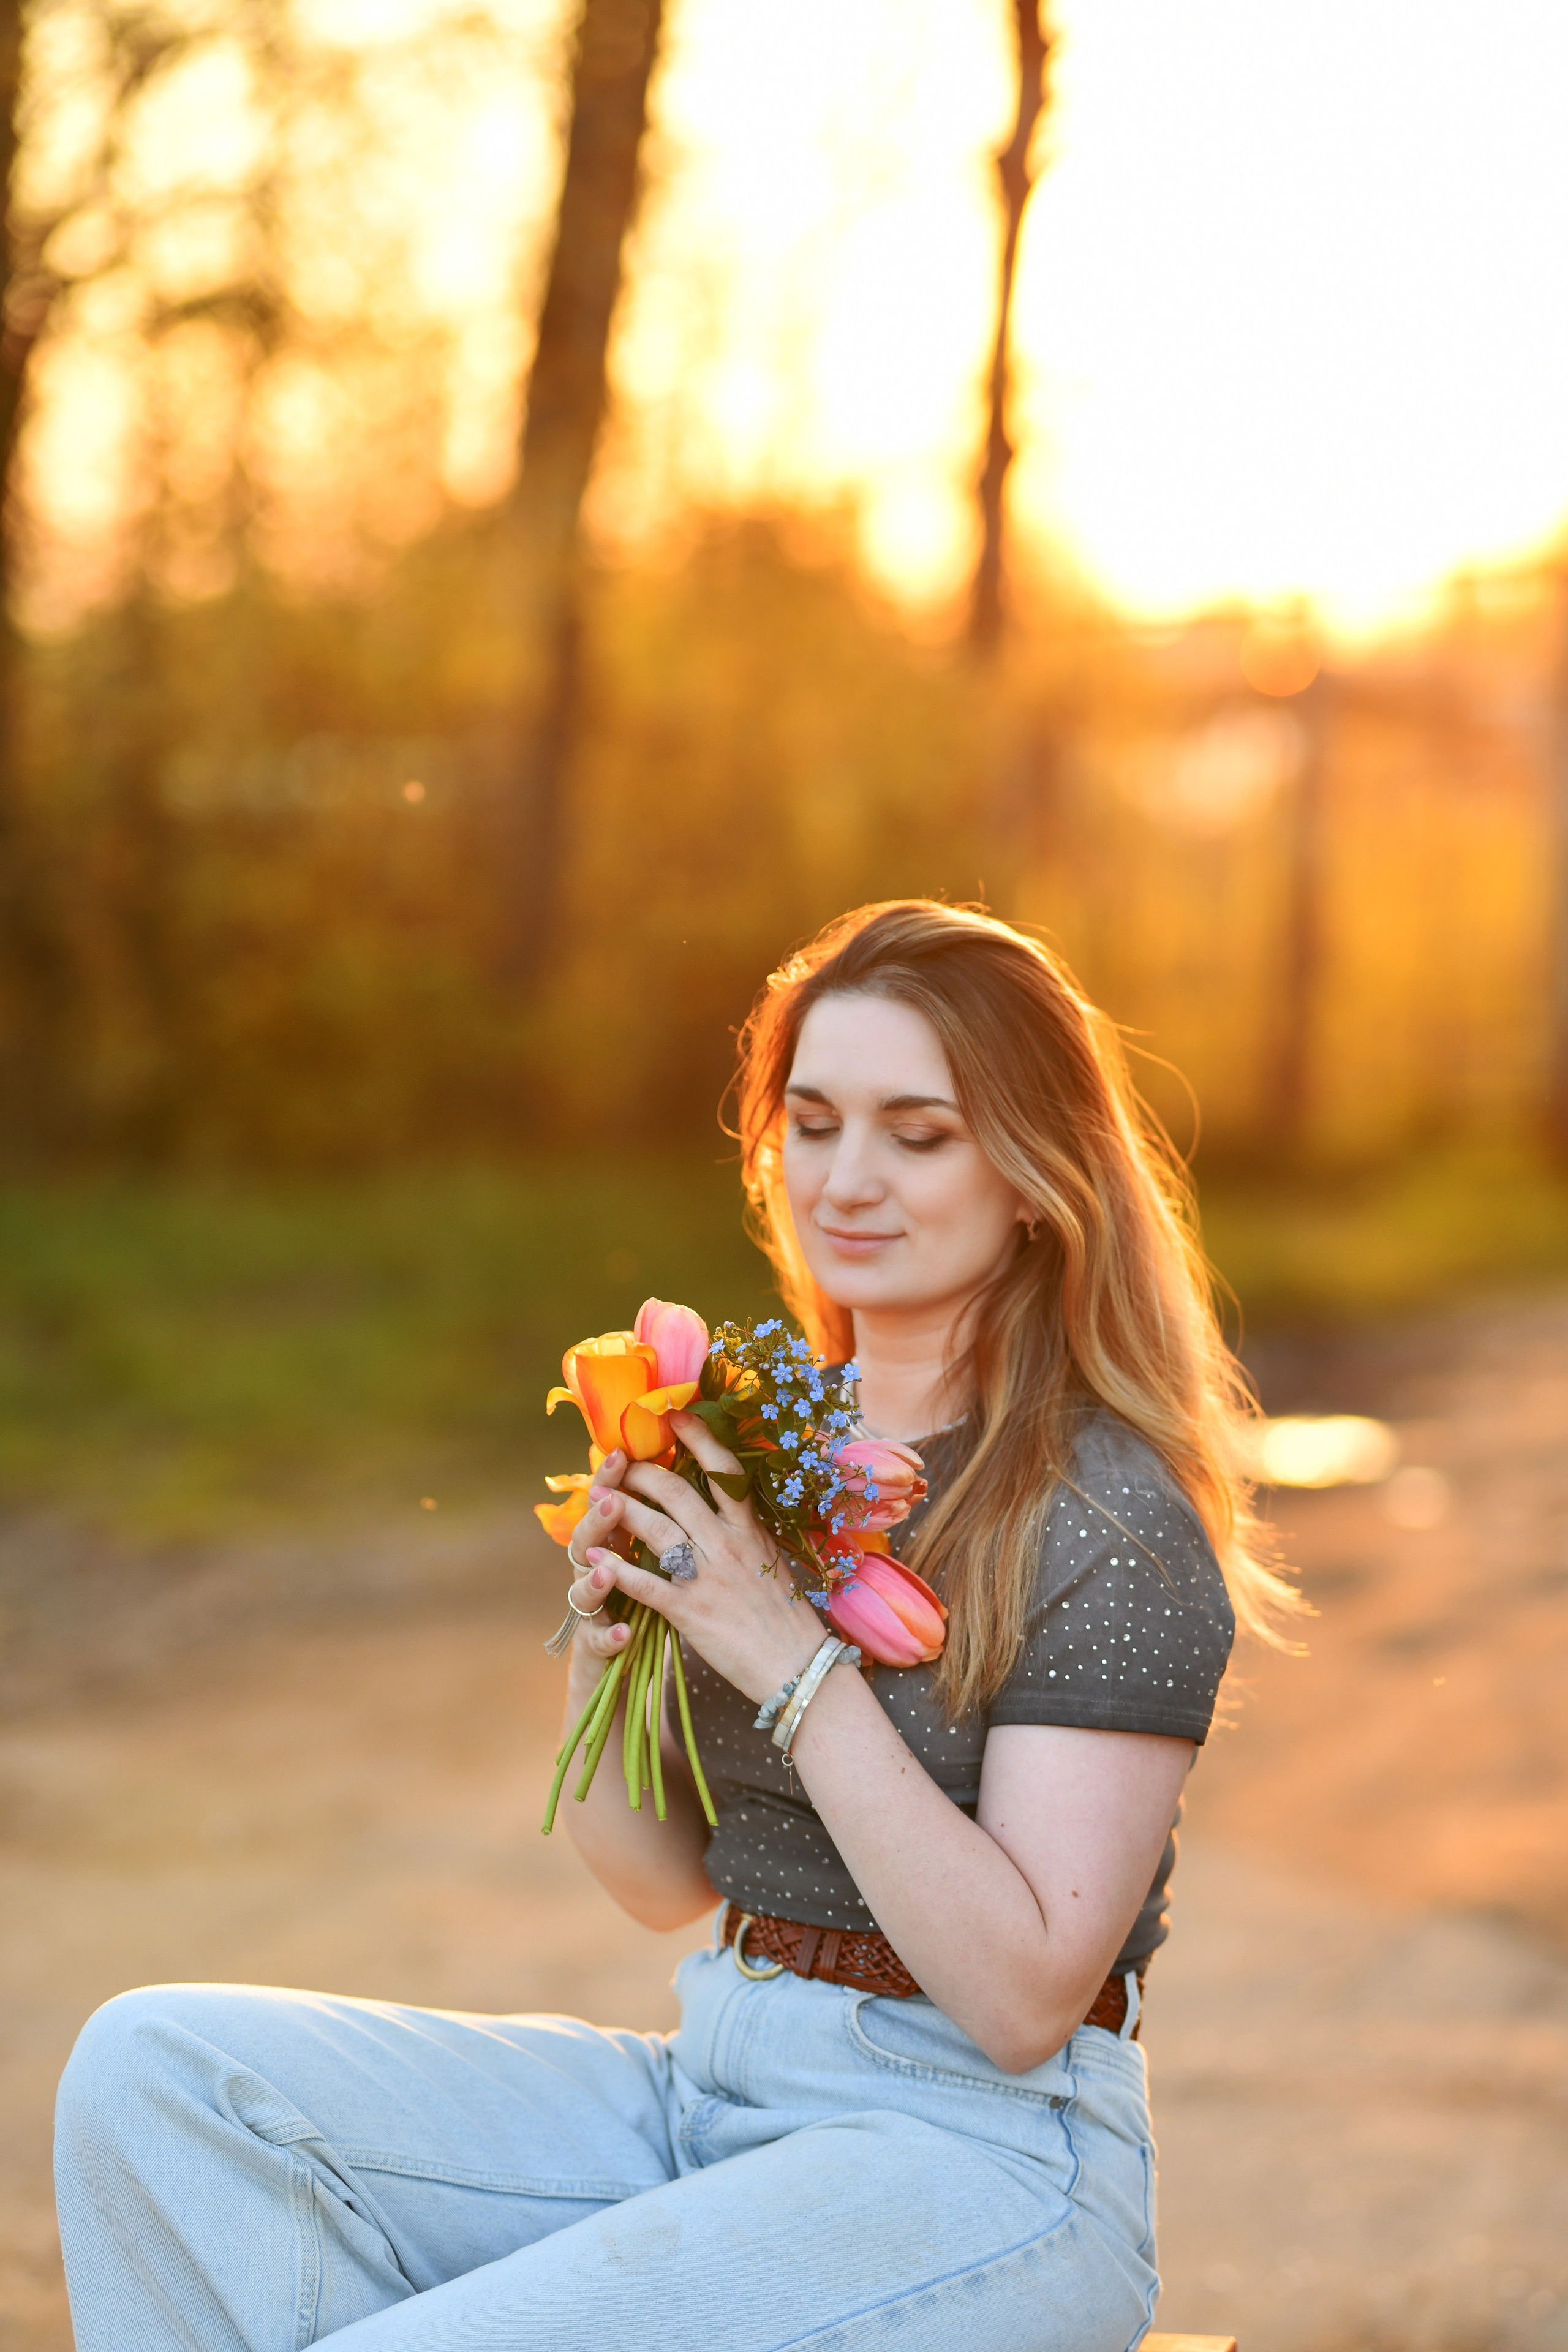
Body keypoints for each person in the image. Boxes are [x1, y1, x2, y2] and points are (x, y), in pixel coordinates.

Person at [55, 900, 1295, 2351]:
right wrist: (610, 1628)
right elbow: (655, 1879)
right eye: (813, 1122)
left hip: (980, 2159)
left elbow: (1023, 1998)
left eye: (918, 1132)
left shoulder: (1101, 1515)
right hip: (716, 2080)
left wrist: (783, 1653)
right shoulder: (754, 1450)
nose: (847, 1178)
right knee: (154, 2073)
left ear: (1031, 1172)